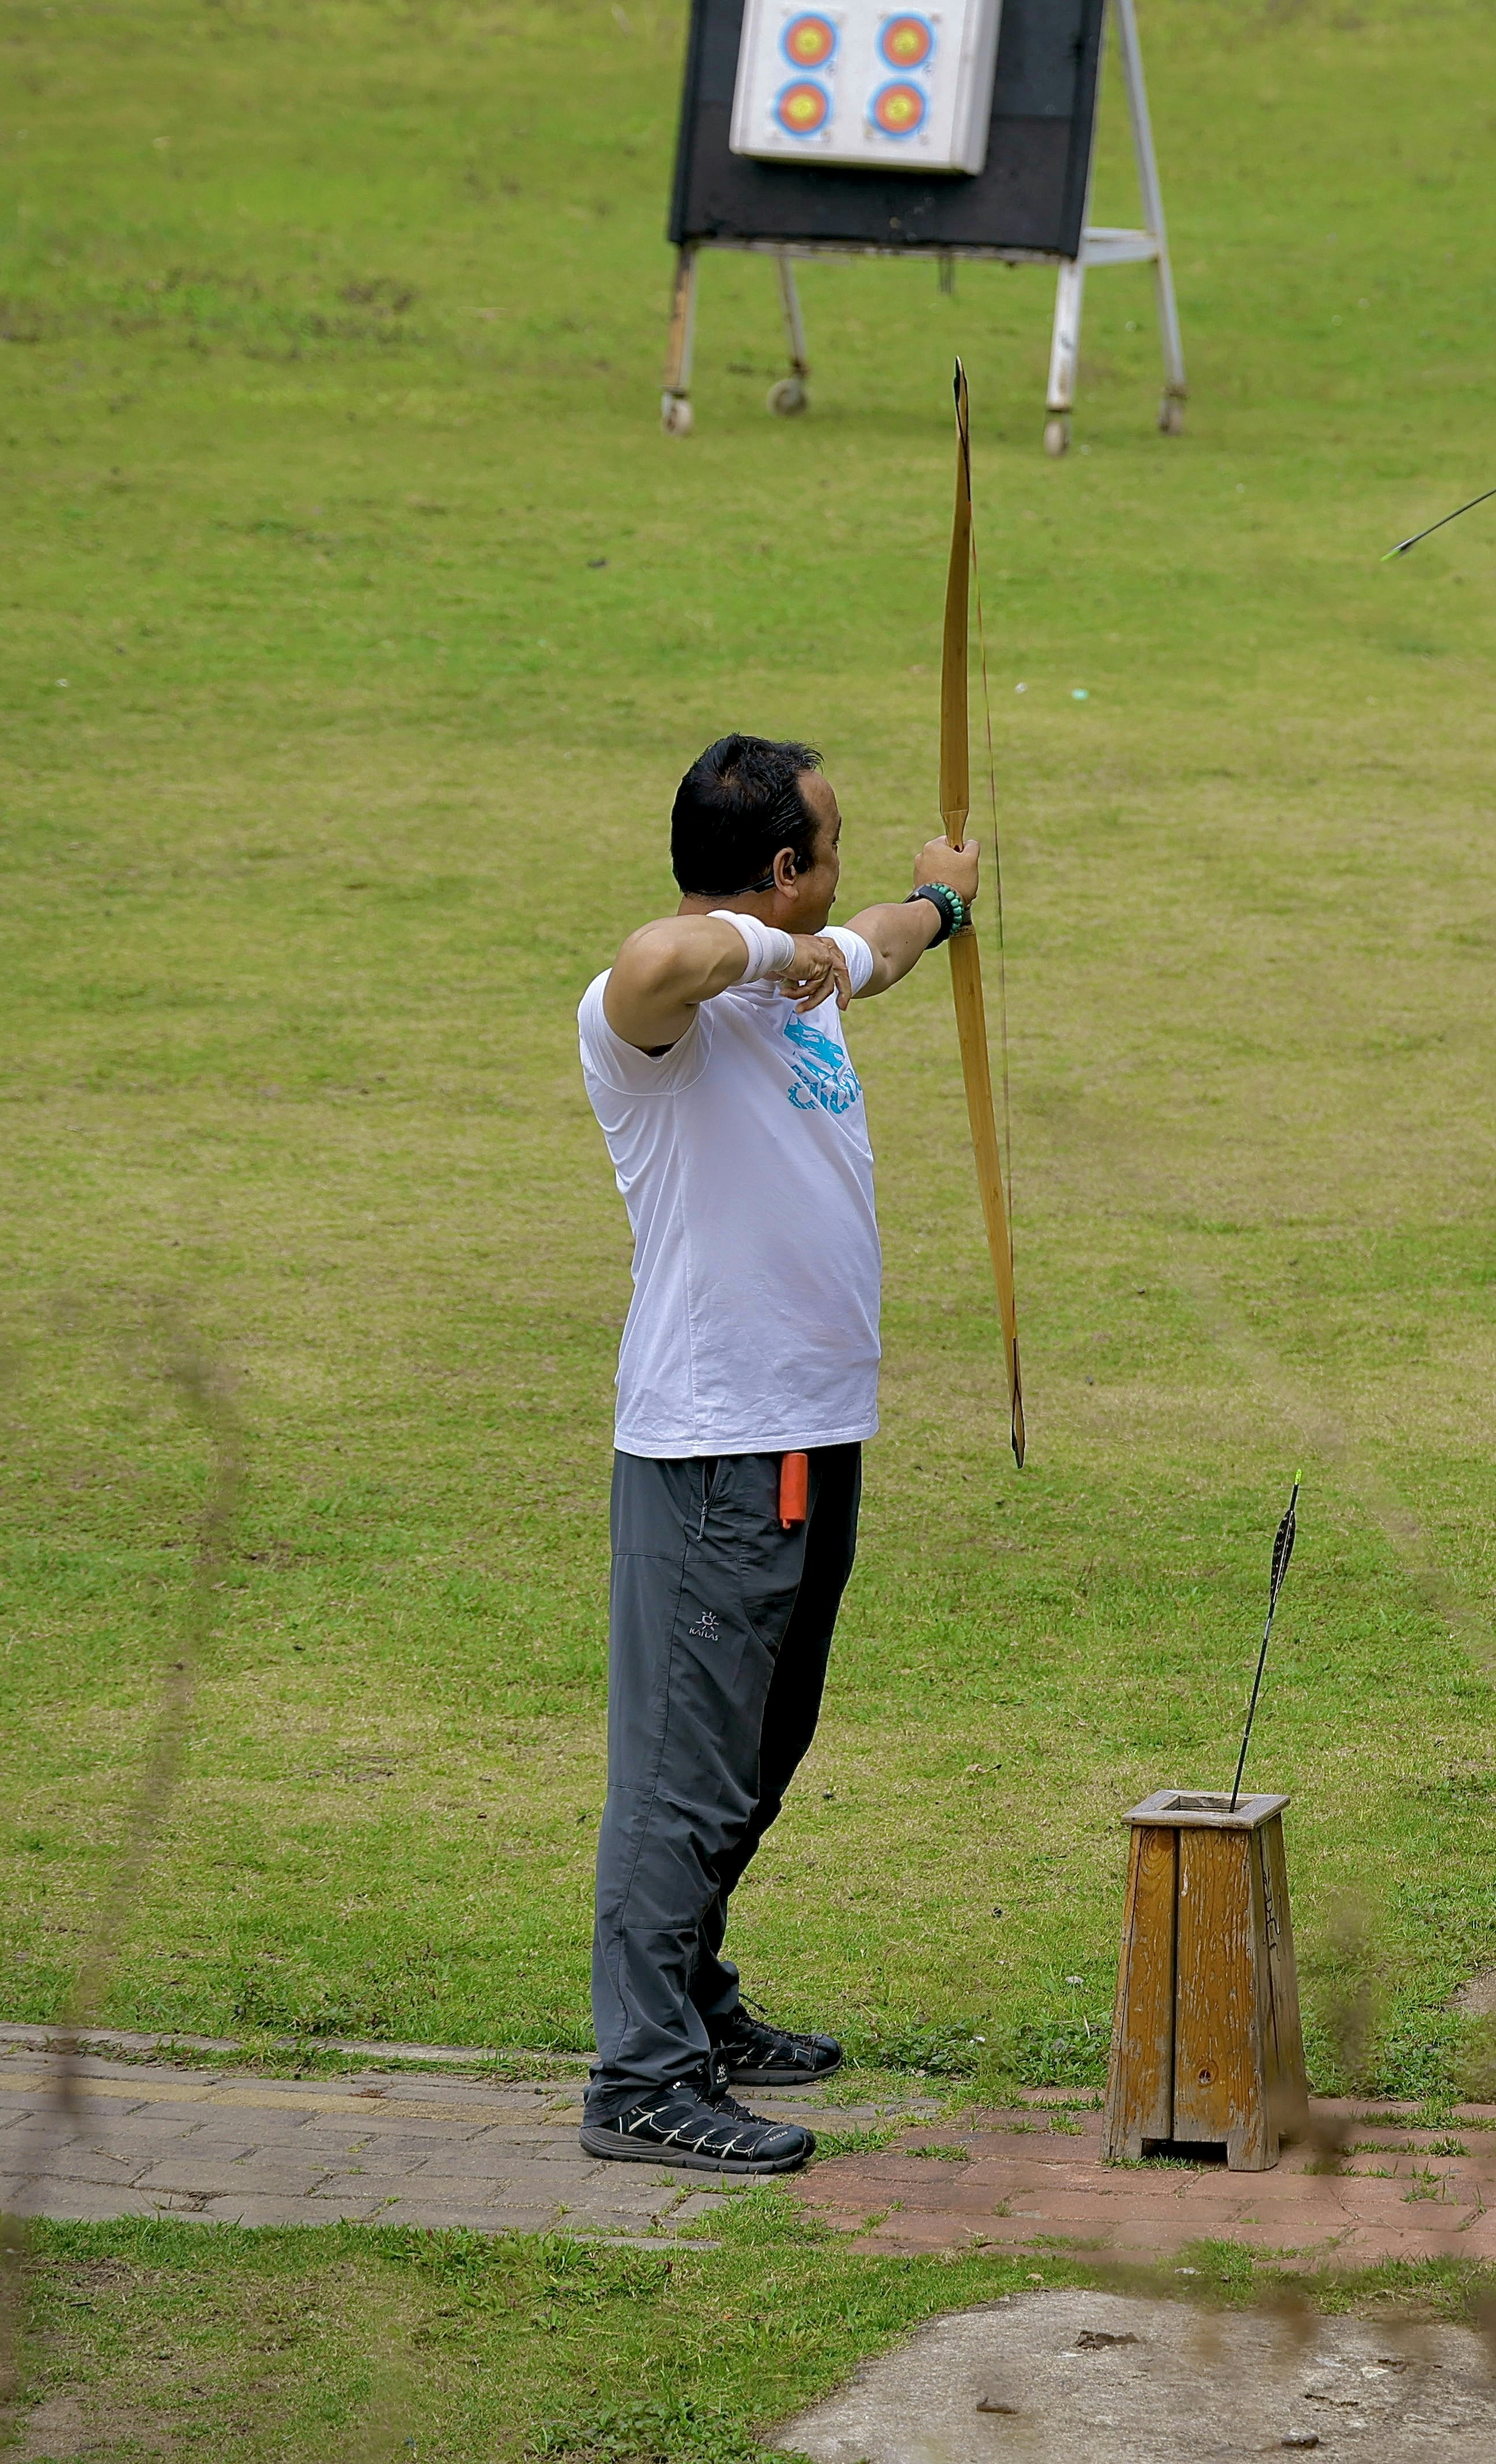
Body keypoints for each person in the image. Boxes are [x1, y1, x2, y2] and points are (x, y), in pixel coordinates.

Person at [571, 732, 978, 2173]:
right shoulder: (656, 1010)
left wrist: (938, 905)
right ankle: (640, 2078)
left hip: (812, 1429)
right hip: (716, 1445)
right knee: (685, 1767)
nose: (847, 873)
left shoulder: (806, 972)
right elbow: (654, 956)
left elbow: (882, 938)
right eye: (836, 846)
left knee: (756, 1750)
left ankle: (692, 1999)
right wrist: (775, 948)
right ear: (781, 867)